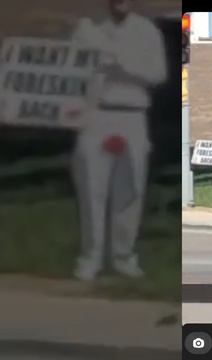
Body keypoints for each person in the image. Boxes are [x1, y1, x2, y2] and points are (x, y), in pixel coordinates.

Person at [70, 0, 166, 281]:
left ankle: (124, 257)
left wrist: (120, 63)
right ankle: (90, 258)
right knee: (91, 189)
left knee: (131, 188)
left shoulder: (146, 31)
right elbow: (70, 71)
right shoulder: (88, 29)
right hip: (95, 114)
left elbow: (157, 74)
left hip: (132, 116)